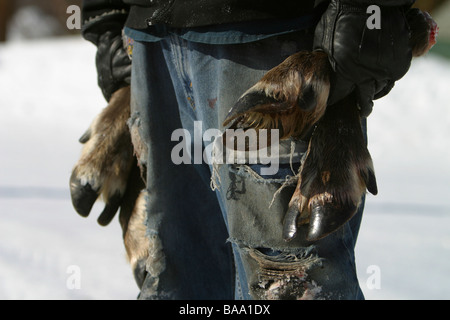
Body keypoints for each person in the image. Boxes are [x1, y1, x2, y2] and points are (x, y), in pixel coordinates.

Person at [79, 0, 415, 300]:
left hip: (278, 47)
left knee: (289, 286)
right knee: (175, 282)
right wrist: (106, 19)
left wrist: (364, 10)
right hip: (152, 43)